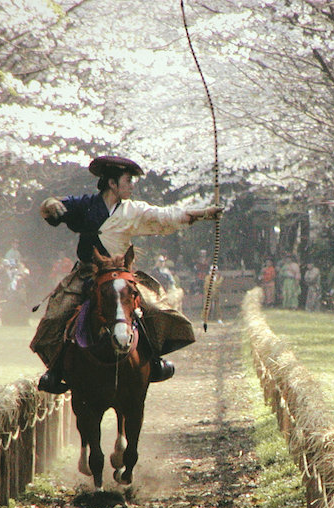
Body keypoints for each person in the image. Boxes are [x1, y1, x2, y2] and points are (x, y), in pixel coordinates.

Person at [30, 155, 222, 394]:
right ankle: (56, 369)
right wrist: (48, 202)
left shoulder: (134, 210)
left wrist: (205, 213)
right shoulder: (86, 205)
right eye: (128, 181)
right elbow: (53, 209)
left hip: (120, 274)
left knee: (154, 309)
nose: (132, 185)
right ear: (112, 183)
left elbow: (167, 216)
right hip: (87, 273)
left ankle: (153, 361)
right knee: (56, 315)